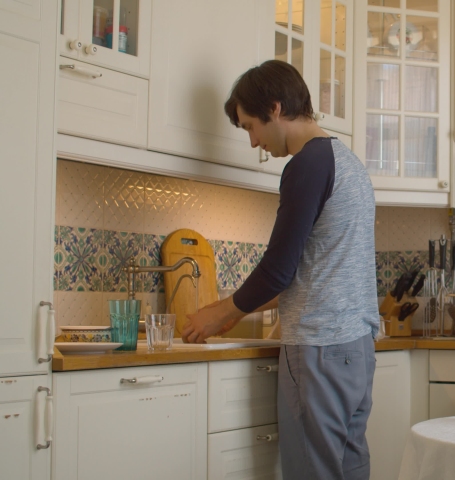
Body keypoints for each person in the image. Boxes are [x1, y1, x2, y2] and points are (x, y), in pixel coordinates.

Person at [181, 59, 380, 480]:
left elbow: (277, 269)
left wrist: (219, 313)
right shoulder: (348, 163)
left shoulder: (307, 164)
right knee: (348, 468)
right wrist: (236, 308)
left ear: (274, 109)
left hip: (319, 347)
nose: (254, 141)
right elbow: (308, 272)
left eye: (251, 126)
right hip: (356, 348)